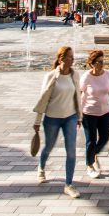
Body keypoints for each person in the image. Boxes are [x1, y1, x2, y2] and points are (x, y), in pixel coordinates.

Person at [33, 46, 82, 198]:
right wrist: (37, 121)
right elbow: (43, 99)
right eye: (70, 57)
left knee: (71, 150)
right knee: (49, 146)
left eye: (73, 57)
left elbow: (78, 97)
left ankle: (68, 185)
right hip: (52, 118)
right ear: (61, 59)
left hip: (70, 117)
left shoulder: (75, 75)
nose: (73, 59)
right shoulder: (51, 76)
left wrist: (79, 117)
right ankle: (41, 168)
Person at [78, 50, 109, 178]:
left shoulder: (107, 74)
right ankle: (90, 165)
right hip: (89, 113)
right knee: (91, 140)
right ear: (92, 64)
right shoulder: (86, 77)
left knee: (104, 137)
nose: (102, 64)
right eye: (99, 62)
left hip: (105, 111)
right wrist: (77, 112)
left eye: (103, 61)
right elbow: (79, 93)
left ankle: (92, 155)